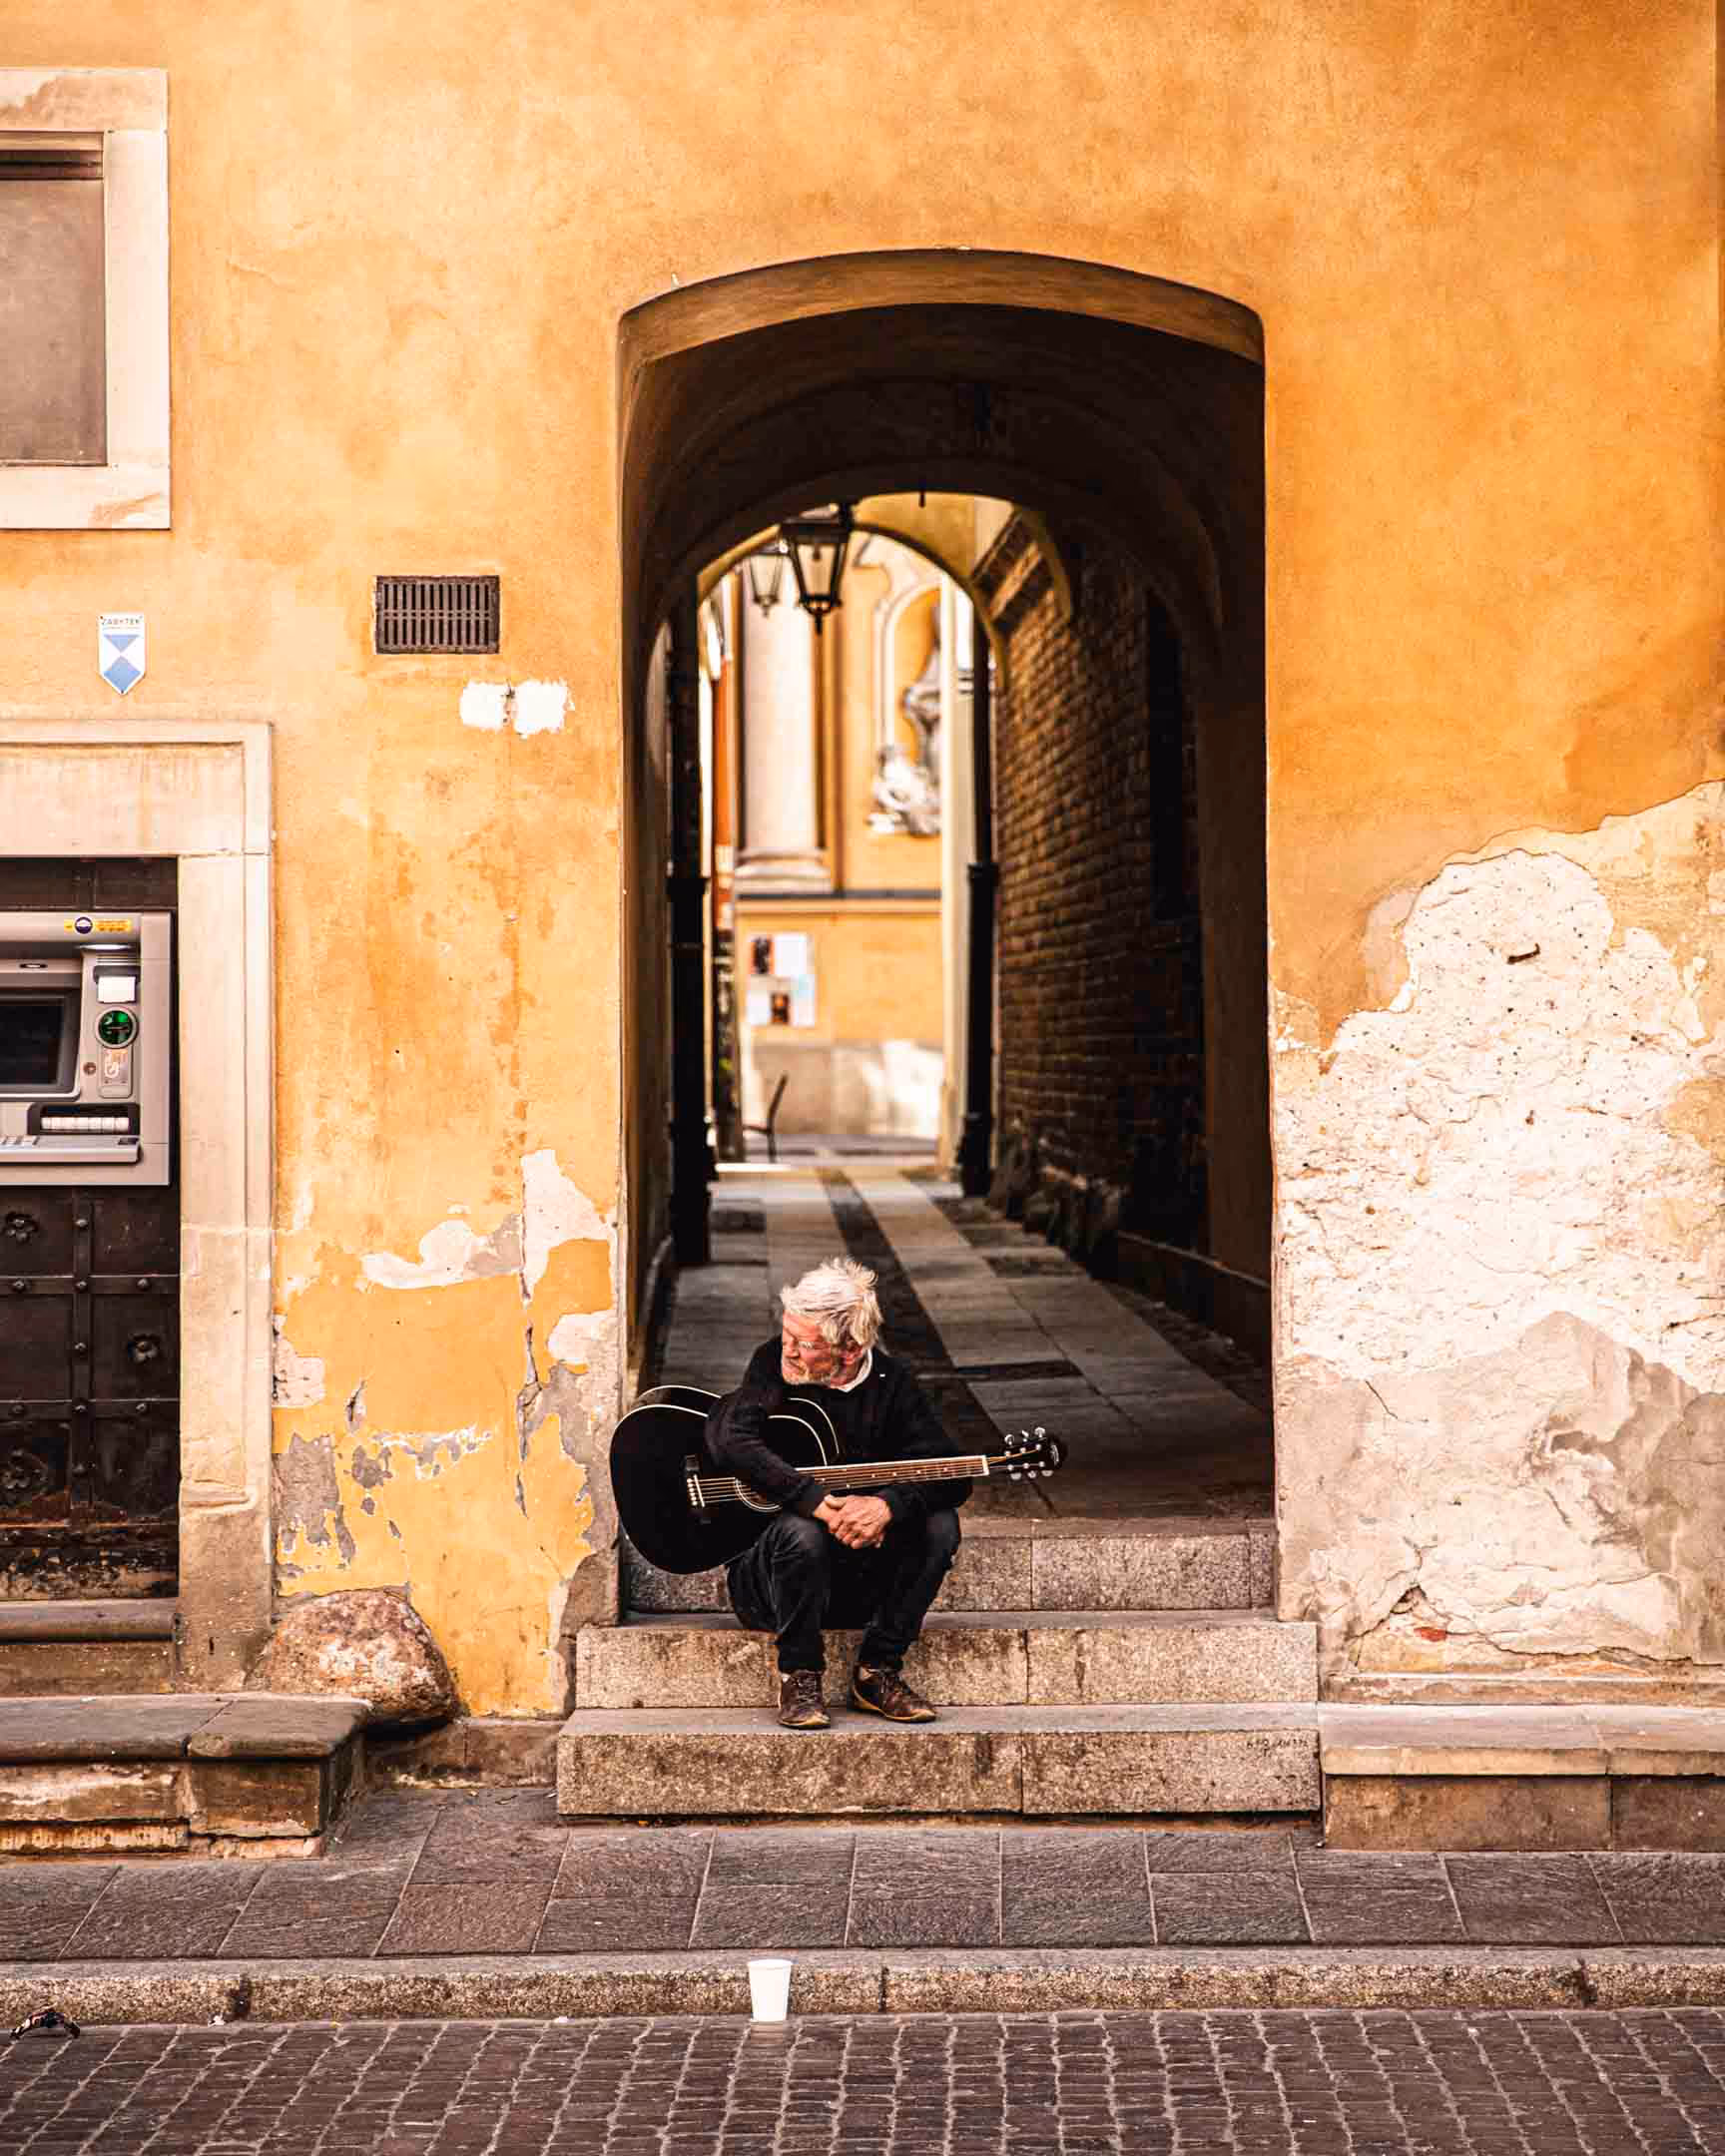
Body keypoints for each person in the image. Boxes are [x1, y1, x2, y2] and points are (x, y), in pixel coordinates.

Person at [707, 1257, 970, 1729]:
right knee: (800, 1531)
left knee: (940, 1524)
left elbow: (954, 1474)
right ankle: (798, 1674)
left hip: (861, 1580)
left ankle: (878, 1670)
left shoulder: (893, 1385)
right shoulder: (773, 1364)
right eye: (786, 1334)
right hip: (771, 1584)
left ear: (849, 1349)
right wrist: (817, 1504)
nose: (787, 1349)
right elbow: (731, 1440)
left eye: (802, 1344)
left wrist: (888, 1505)